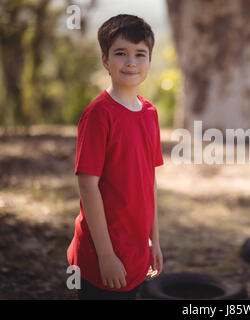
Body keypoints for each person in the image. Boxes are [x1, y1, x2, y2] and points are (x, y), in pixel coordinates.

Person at [67, 14, 164, 300]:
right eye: (121, 53)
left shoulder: (150, 113)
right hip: (102, 254)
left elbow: (150, 181)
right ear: (105, 60)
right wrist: (106, 255)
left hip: (136, 249)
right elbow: (88, 186)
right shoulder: (98, 115)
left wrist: (154, 240)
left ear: (149, 60)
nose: (131, 62)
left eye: (140, 54)